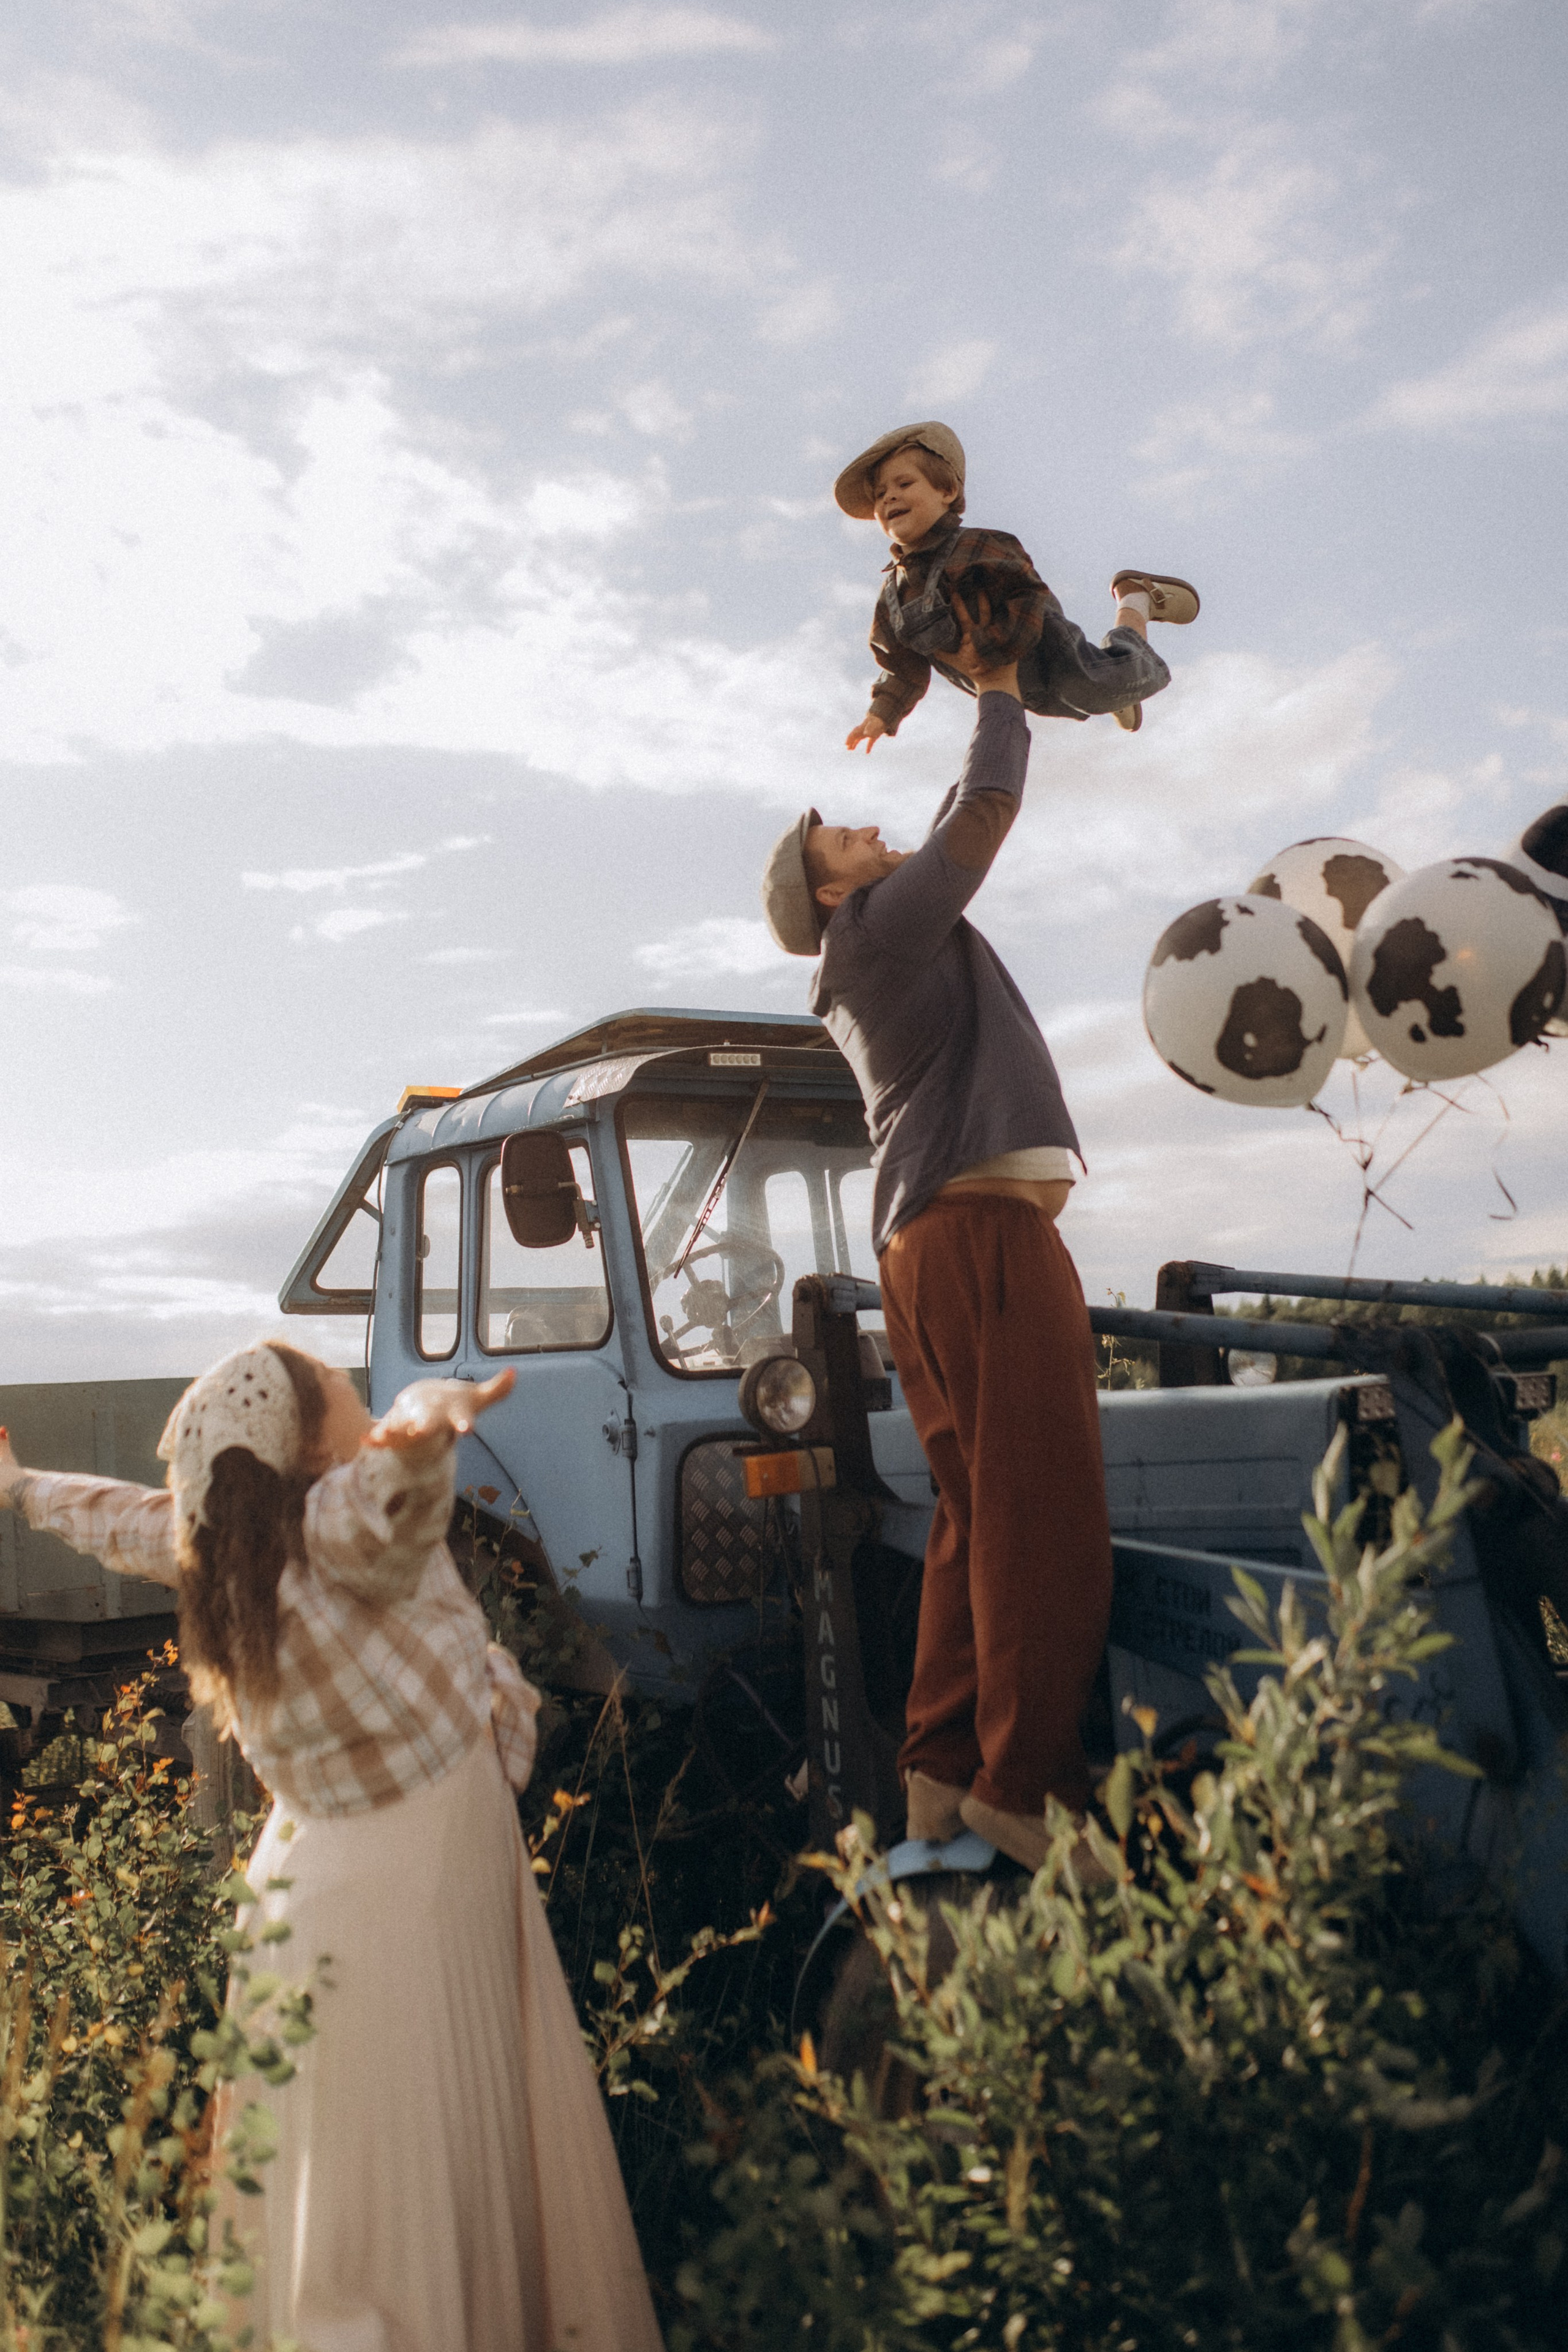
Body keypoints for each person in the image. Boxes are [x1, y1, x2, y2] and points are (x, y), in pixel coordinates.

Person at [0, 1343, 665, 2352]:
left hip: (313, 1894)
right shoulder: (337, 1525)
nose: (361, 1394)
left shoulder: (218, 1542)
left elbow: (113, 1516)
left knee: (346, 2176)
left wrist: (16, 1486)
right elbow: (393, 1496)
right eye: (344, 1391)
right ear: (311, 1446)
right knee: (424, 2160)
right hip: (413, 1893)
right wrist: (431, 1418)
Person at [760, 620, 1112, 1874]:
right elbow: (981, 814)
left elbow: (948, 823)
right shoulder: (875, 930)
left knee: (974, 1515)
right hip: (977, 1243)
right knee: (1045, 1518)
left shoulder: (871, 945)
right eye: (839, 841)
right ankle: (1025, 1788)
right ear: (832, 895)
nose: (863, 828)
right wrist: (1001, 689)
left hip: (927, 1246)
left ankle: (938, 1769)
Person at [835, 418, 1197, 745]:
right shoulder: (893, 596)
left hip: (1047, 653)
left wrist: (994, 648)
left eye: (904, 483)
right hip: (1014, 690)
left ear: (947, 492)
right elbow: (901, 664)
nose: (890, 497)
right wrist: (881, 714)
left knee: (1101, 681)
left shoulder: (977, 546)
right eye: (880, 494)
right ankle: (1111, 695)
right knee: (1076, 701)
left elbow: (1025, 593)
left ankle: (1135, 598)